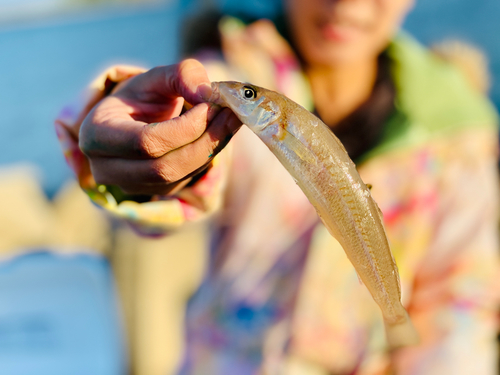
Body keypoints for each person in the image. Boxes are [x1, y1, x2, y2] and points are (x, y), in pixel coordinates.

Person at [55, 0, 500, 373]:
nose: (346, 4)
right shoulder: (239, 71)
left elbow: (459, 304)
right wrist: (146, 146)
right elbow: (207, 164)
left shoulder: (457, 136)